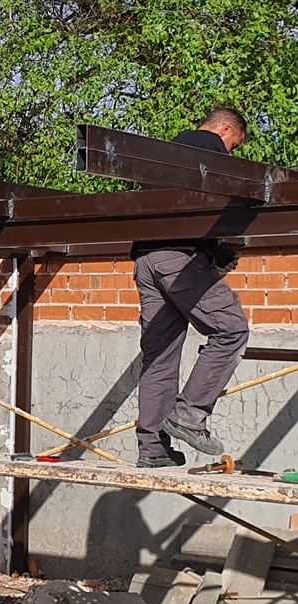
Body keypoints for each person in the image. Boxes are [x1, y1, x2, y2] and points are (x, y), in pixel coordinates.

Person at [132, 107, 250, 468]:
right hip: (179, 260)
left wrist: (213, 255)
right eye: (234, 143)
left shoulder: (163, 156)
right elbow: (222, 211)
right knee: (231, 329)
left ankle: (152, 448)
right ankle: (189, 415)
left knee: (160, 355)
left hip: (145, 262)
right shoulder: (211, 152)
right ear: (226, 128)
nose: (232, 151)